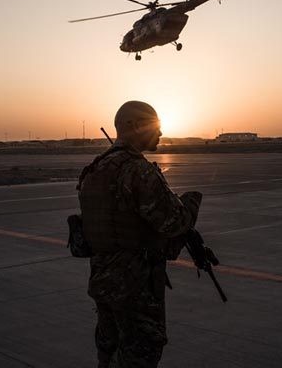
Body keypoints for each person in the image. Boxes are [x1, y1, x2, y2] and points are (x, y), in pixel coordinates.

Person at [77, 100, 201, 368]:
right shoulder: (137, 170)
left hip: (103, 279)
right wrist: (190, 204)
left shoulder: (94, 170)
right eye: (155, 125)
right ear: (133, 126)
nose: (160, 132)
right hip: (134, 284)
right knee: (140, 353)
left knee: (109, 352)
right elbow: (173, 223)